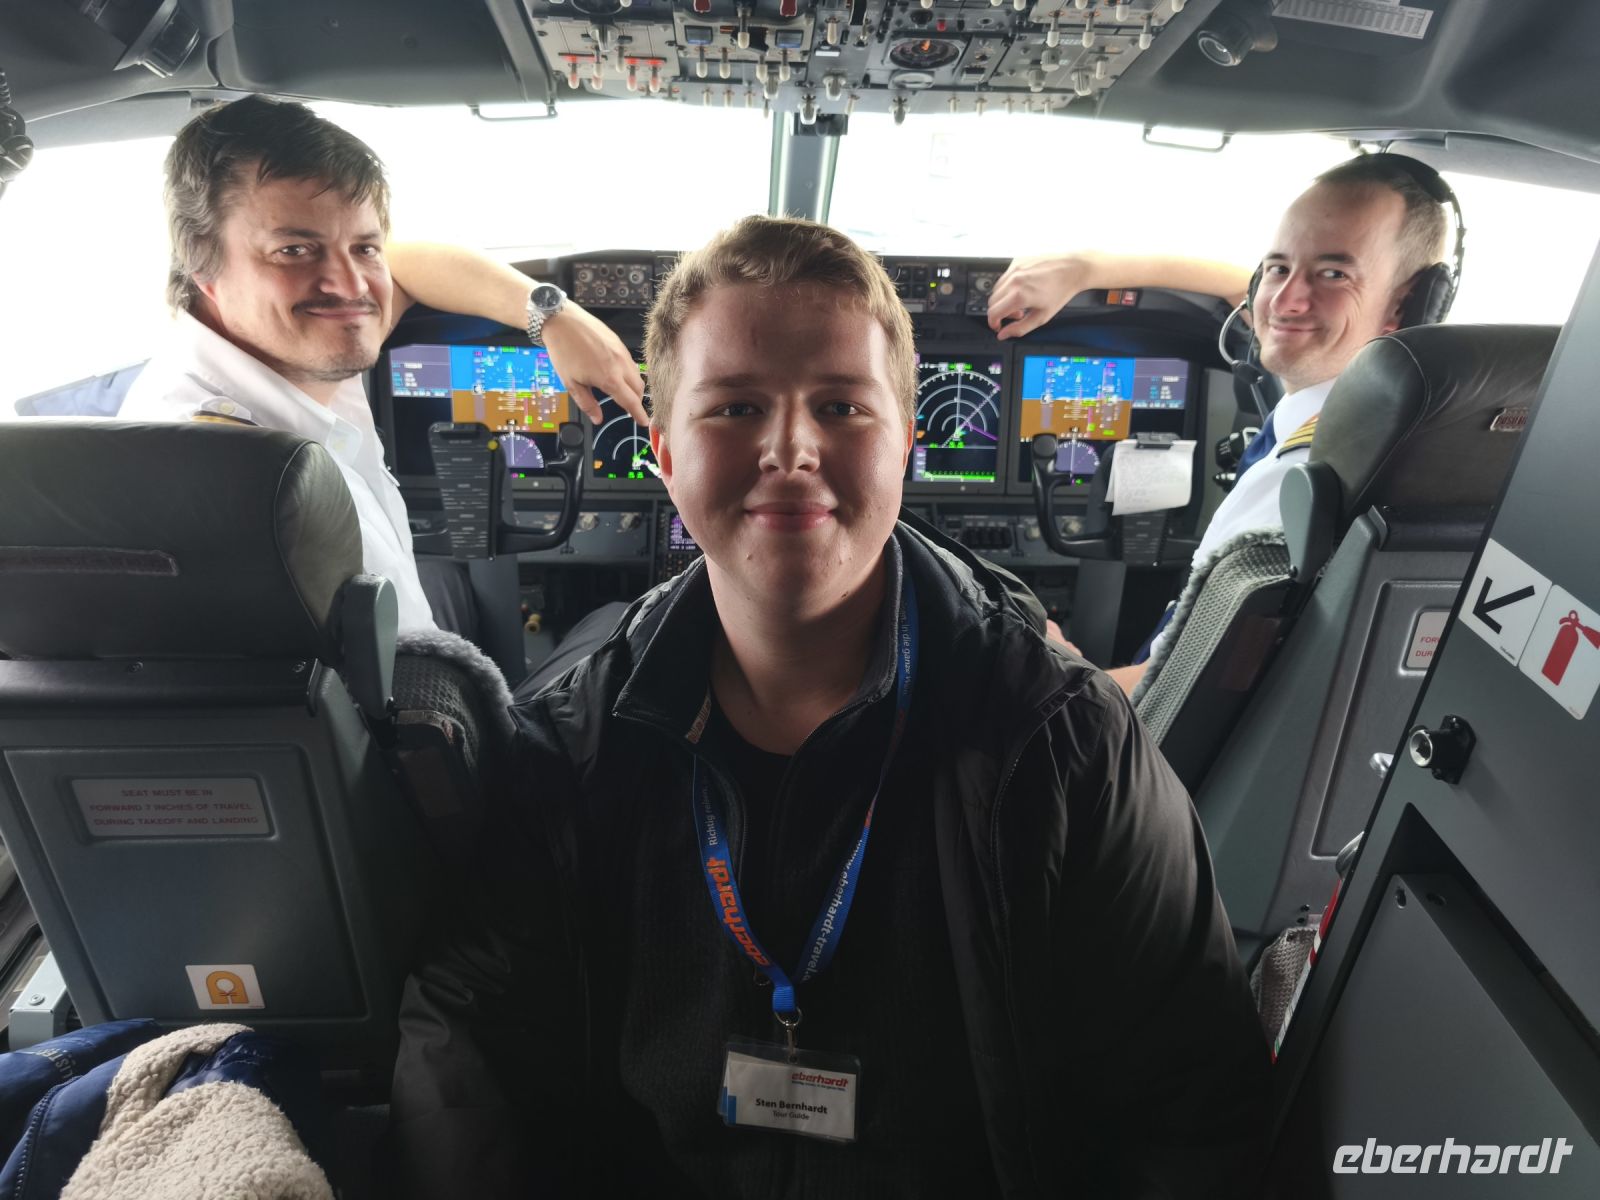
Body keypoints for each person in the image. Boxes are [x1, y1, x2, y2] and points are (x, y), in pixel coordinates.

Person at [389, 215, 1270, 1197]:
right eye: (732, 409)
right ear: (664, 457)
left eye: (844, 408)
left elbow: (1195, 1100)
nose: (791, 448)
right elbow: (468, 1043)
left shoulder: (1061, 741)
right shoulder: (566, 738)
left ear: (905, 448)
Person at [118, 95, 647, 634]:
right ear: (202, 264)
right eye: (295, 251)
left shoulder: (283, 353)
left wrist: (550, 313)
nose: (351, 286)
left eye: (364, 248)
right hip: (415, 708)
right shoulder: (235, 472)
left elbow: (409, 265)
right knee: (621, 622)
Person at [988, 155, 1451, 693]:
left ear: (1406, 303)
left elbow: (1174, 696)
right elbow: (1245, 289)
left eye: (1334, 273)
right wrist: (1087, 268)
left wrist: (1056, 670)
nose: (1284, 300)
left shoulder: (1299, 486)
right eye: (1277, 267)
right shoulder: (1379, 428)